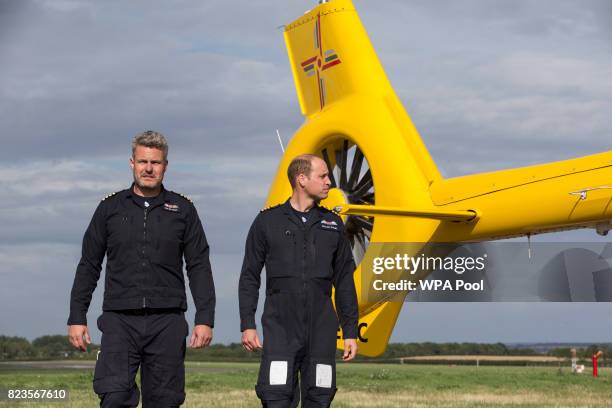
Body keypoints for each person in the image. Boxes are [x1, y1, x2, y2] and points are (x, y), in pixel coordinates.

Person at [67, 130, 215, 407]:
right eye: (143, 161)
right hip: (119, 320)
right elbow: (89, 265)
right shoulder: (109, 208)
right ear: (132, 163)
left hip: (167, 321)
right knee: (114, 396)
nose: (149, 168)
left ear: (165, 166)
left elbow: (199, 266)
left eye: (156, 163)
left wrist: (205, 318)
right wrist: (77, 316)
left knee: (165, 400)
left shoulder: (183, 210)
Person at [239, 154, 359, 407]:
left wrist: (350, 331)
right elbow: (250, 275)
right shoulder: (267, 222)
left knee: (320, 396)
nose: (329, 182)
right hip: (281, 328)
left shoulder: (333, 224)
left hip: (322, 330)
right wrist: (247, 323)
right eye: (323, 176)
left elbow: (345, 281)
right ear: (301, 179)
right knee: (276, 396)